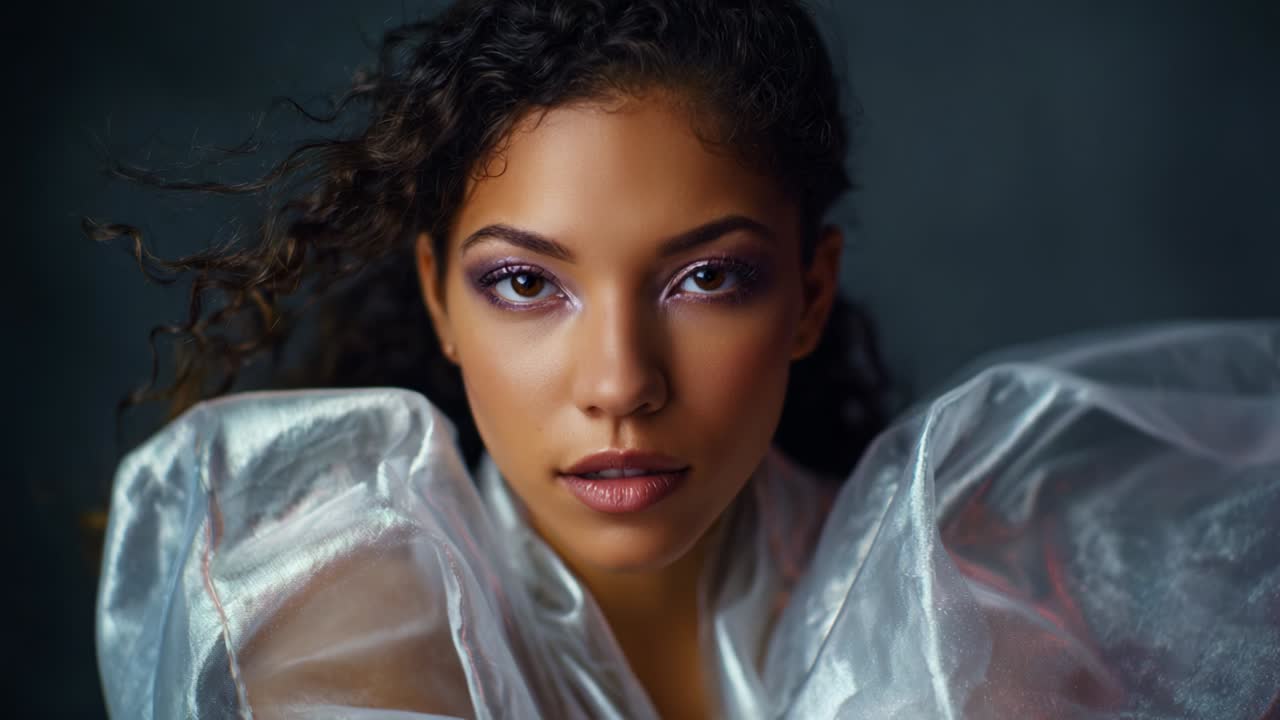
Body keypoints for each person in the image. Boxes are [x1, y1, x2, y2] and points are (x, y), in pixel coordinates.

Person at [91, 1, 1280, 718]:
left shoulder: (966, 614)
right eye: (524, 284)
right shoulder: (349, 632)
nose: (619, 381)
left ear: (807, 297)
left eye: (706, 279)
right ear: (436, 303)